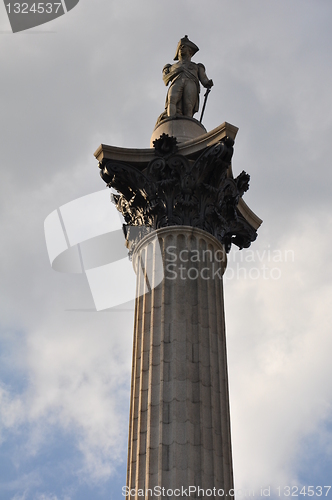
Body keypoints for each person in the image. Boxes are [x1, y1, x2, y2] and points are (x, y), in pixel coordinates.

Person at [158, 35, 213, 122]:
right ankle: (170, 119)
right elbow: (165, 79)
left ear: (190, 51)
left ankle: (188, 122)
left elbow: (204, 80)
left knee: (189, 105)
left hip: (191, 82)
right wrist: (176, 71)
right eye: (180, 47)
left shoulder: (197, 66)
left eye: (184, 47)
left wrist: (208, 83)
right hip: (176, 82)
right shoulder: (170, 67)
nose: (181, 49)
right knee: (172, 99)